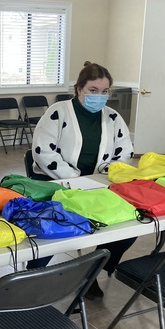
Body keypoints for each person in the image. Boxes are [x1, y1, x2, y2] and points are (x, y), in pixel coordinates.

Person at [28, 61, 135, 300]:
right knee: (56, 227)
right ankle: (33, 275)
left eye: (105, 91)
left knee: (128, 227)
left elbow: (124, 153)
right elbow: (43, 152)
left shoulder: (113, 117)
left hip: (98, 183)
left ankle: (91, 271)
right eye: (93, 90)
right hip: (56, 182)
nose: (100, 96)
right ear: (79, 89)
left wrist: (104, 174)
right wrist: (75, 179)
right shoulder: (58, 111)